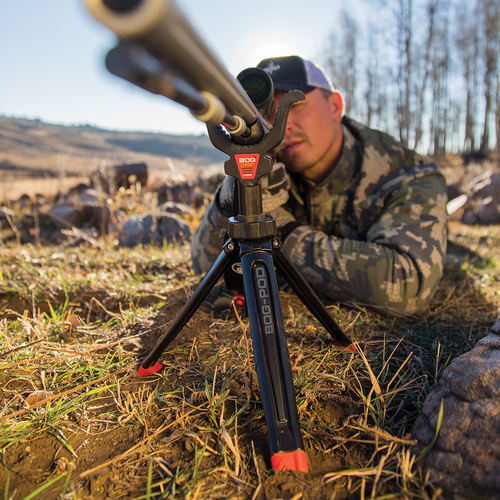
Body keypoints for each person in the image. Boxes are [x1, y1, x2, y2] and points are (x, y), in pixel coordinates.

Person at [191, 55, 448, 317]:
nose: (282, 124)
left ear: (336, 106)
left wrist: (280, 233)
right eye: (266, 115)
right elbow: (203, 265)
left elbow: (406, 287)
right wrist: (231, 204)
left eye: (293, 105)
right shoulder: (269, 165)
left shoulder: (405, 172)